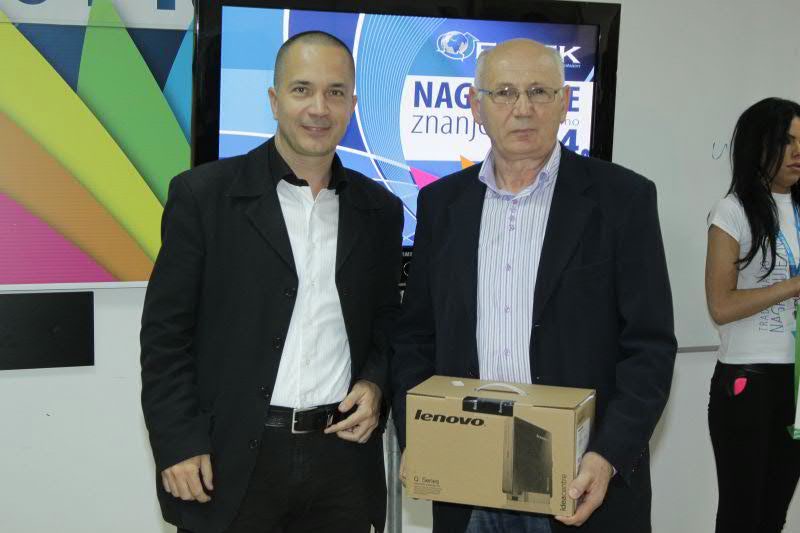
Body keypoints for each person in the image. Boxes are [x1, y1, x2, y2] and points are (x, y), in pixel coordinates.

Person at [391, 38, 676, 533]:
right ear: (476, 106)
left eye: (540, 91)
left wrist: (608, 455)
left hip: (579, 479)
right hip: (467, 476)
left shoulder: (622, 199)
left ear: (564, 103)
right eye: (504, 92)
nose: (522, 108)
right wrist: (418, 432)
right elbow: (416, 336)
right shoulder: (441, 204)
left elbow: (649, 346)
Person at [140, 31, 403, 533]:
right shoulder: (203, 196)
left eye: (335, 92)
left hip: (342, 467)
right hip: (231, 460)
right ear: (274, 100)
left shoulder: (380, 210)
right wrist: (178, 442)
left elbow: (388, 322)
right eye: (302, 89)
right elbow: (165, 336)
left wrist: (375, 383)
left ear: (352, 105)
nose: (319, 108)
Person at [705, 97, 800, 533]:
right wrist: (793, 286)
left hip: (796, 381)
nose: (797, 152)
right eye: (786, 141)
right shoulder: (733, 210)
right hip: (748, 379)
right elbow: (721, 306)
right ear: (757, 146)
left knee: (774, 515)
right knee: (742, 515)